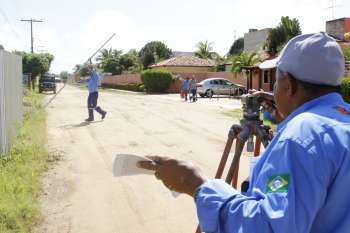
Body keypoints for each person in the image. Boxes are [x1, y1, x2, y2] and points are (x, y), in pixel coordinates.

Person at [138, 32, 350, 233]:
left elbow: (268, 227)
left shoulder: (301, 136)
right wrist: (289, 119)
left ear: (288, 84)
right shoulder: (338, 122)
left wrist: (195, 184)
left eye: (276, 79)